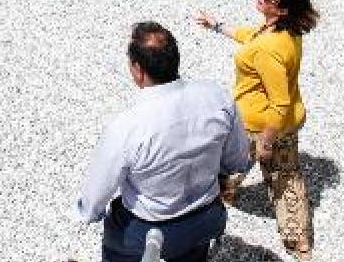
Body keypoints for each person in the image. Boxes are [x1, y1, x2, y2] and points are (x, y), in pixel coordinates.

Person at [76, 22, 252, 262]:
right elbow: (237, 161)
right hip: (207, 219)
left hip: (150, 231)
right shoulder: (217, 97)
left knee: (118, 243)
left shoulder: (127, 126)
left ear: (137, 70)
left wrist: (89, 213)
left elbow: (95, 197)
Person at [195, 0, 319, 259]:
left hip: (258, 125)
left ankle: (222, 195)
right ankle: (299, 239)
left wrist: (265, 141)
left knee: (231, 163)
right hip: (287, 123)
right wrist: (217, 25)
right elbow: (251, 36)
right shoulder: (286, 32)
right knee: (287, 176)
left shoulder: (268, 50)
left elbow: (279, 102)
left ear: (282, 9)